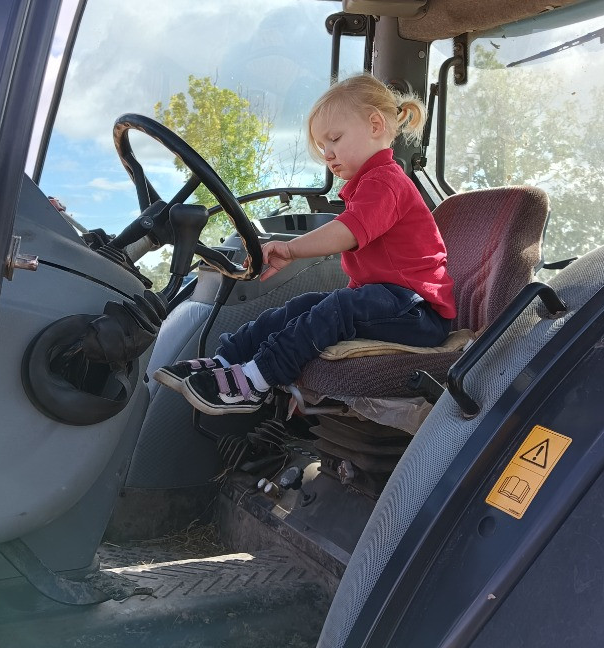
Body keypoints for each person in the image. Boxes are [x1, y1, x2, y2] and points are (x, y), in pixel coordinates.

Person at [153, 75, 456, 414]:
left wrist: (292, 249)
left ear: (374, 124)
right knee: (304, 304)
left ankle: (255, 381)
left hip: (417, 313)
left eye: (335, 139)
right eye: (322, 147)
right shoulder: (368, 185)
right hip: (391, 305)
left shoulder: (386, 181)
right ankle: (225, 360)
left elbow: (348, 231)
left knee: (338, 308)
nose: (328, 154)